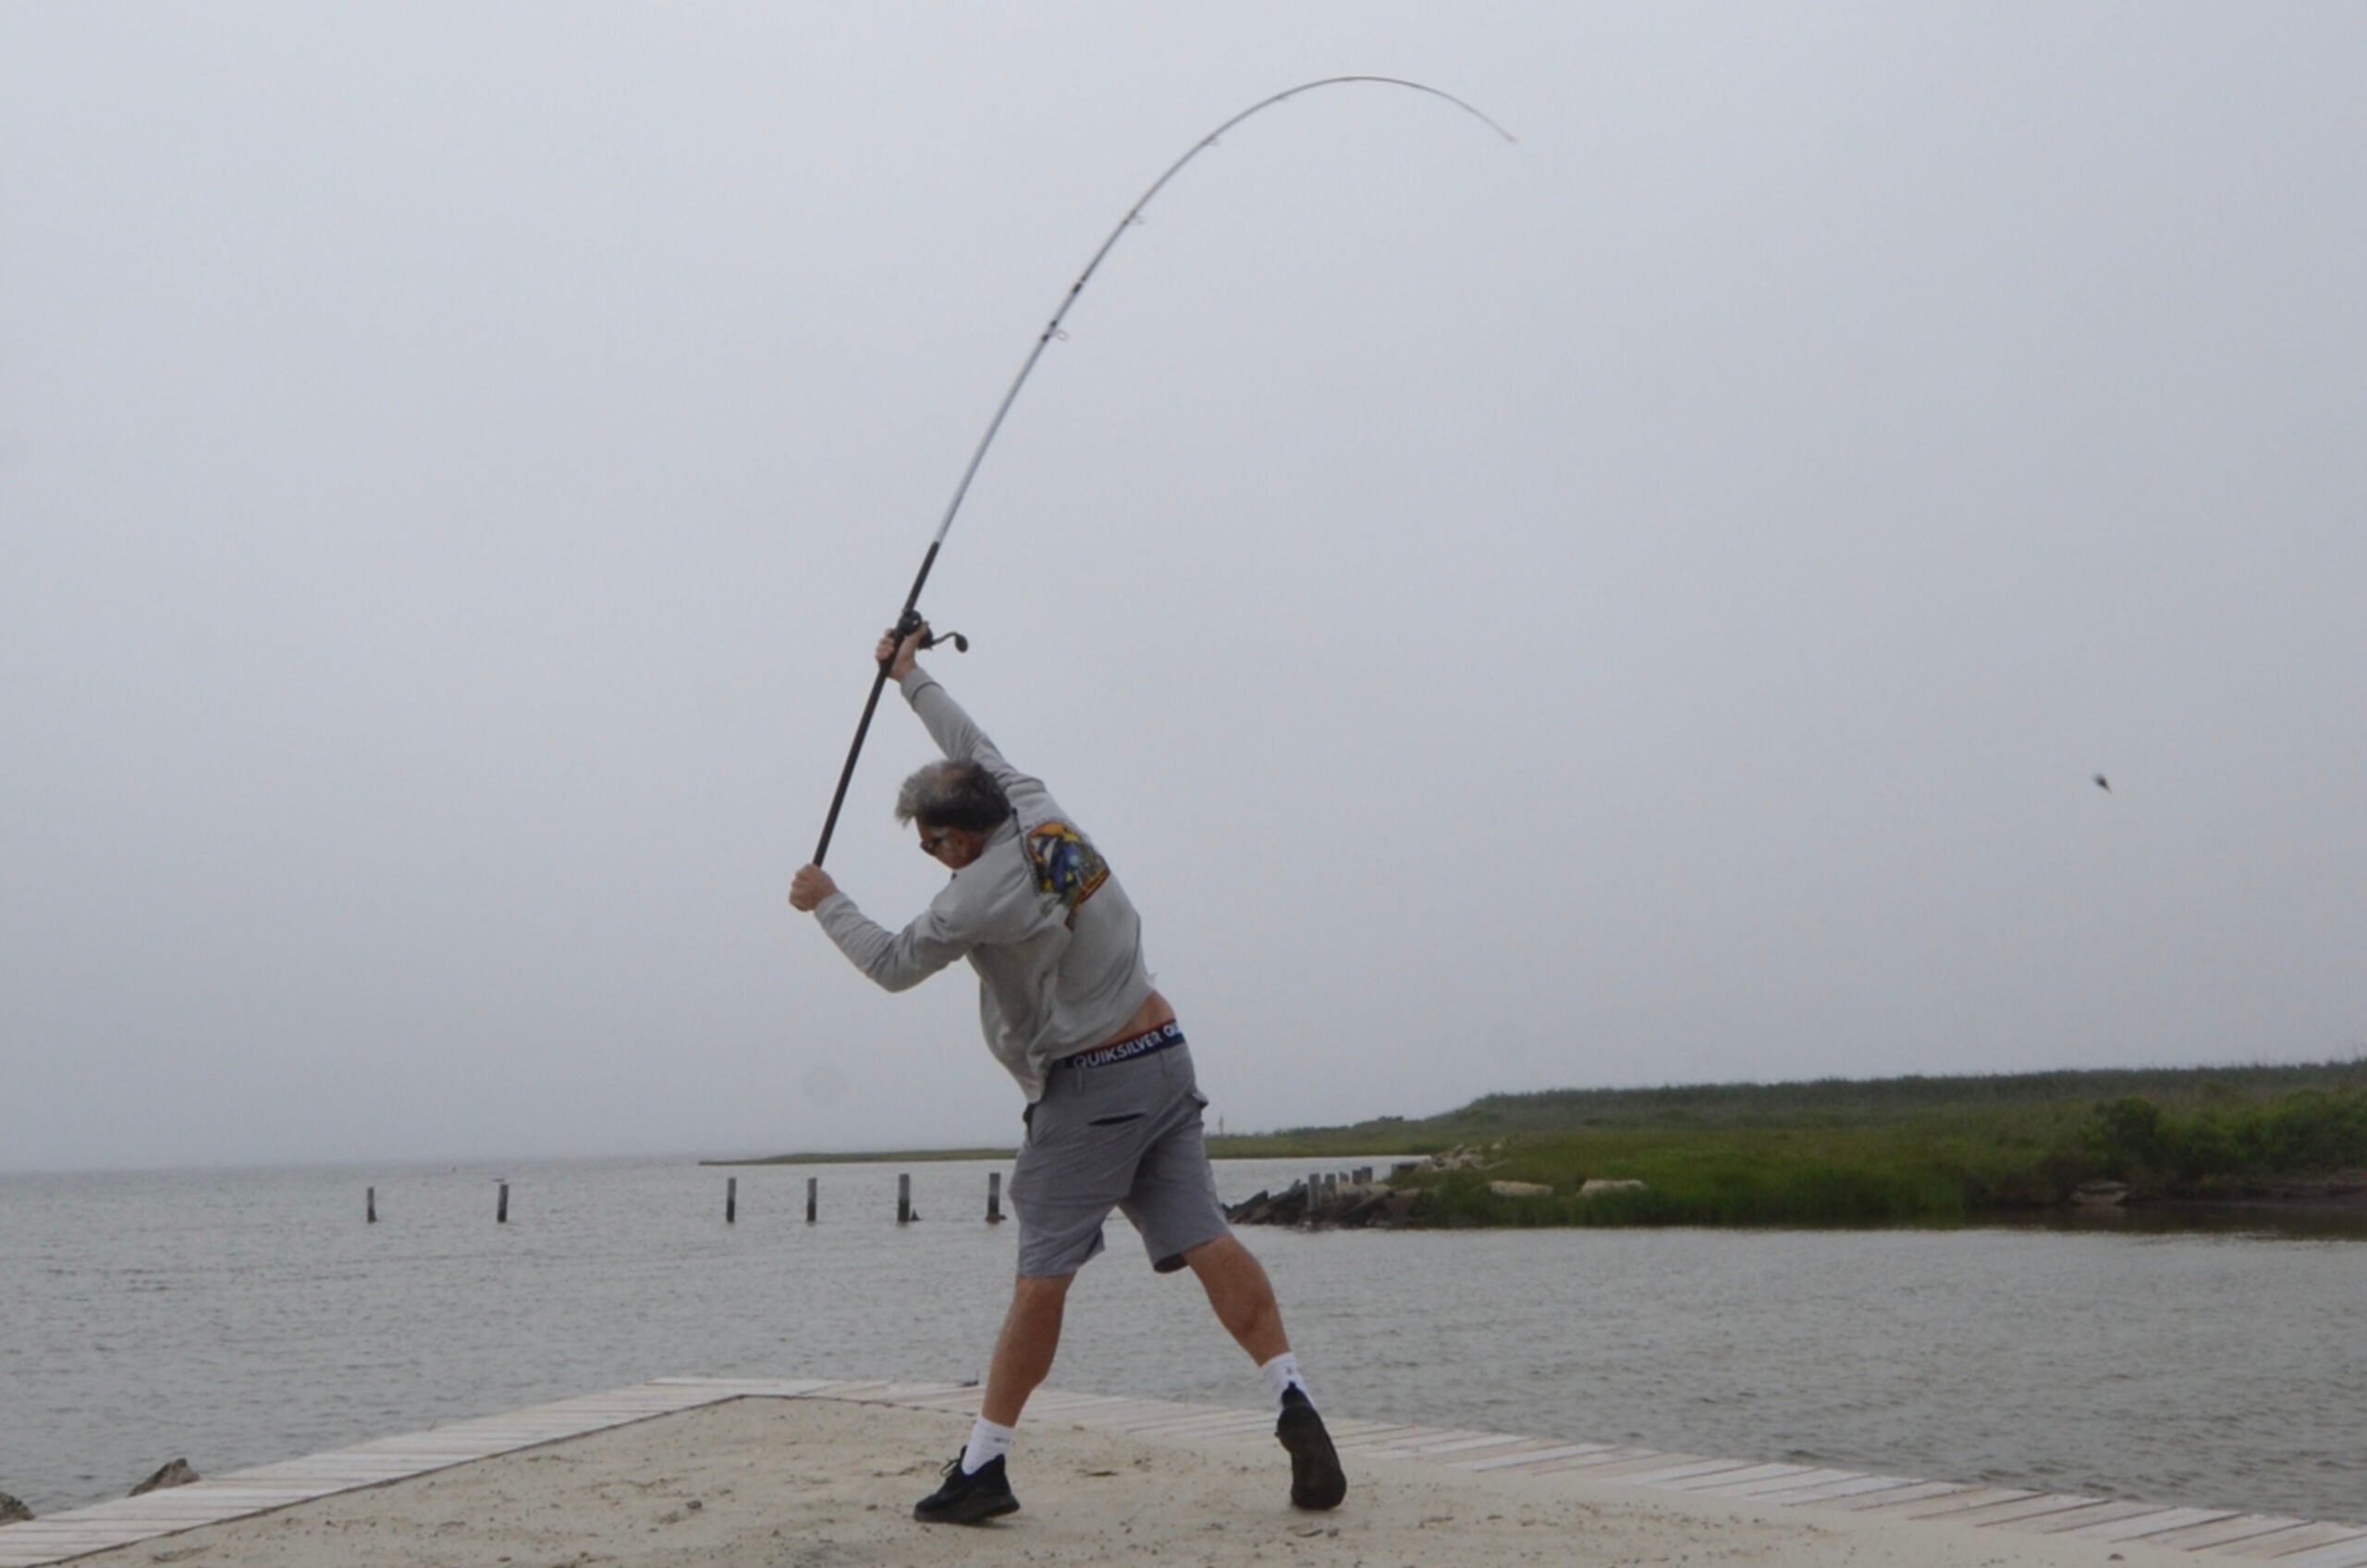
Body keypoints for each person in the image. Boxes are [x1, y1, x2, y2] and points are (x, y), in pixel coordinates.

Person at [788, 623, 1345, 1525]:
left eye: (929, 846)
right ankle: (1293, 1396)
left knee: (1042, 1274)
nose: (929, 860)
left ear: (955, 843)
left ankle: (984, 1466)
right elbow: (965, 741)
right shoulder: (1026, 798)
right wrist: (908, 675)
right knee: (1202, 1232)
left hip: (1091, 1089)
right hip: (1163, 1054)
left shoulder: (974, 894)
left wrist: (826, 902)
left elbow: (891, 963)